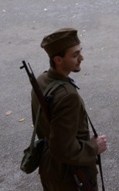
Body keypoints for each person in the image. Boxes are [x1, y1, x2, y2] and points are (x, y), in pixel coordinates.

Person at [32, 28, 107, 190]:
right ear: (58, 60)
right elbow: (62, 149)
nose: (81, 58)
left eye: (80, 52)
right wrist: (95, 147)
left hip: (49, 168)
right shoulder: (67, 96)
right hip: (71, 176)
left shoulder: (41, 81)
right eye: (74, 55)